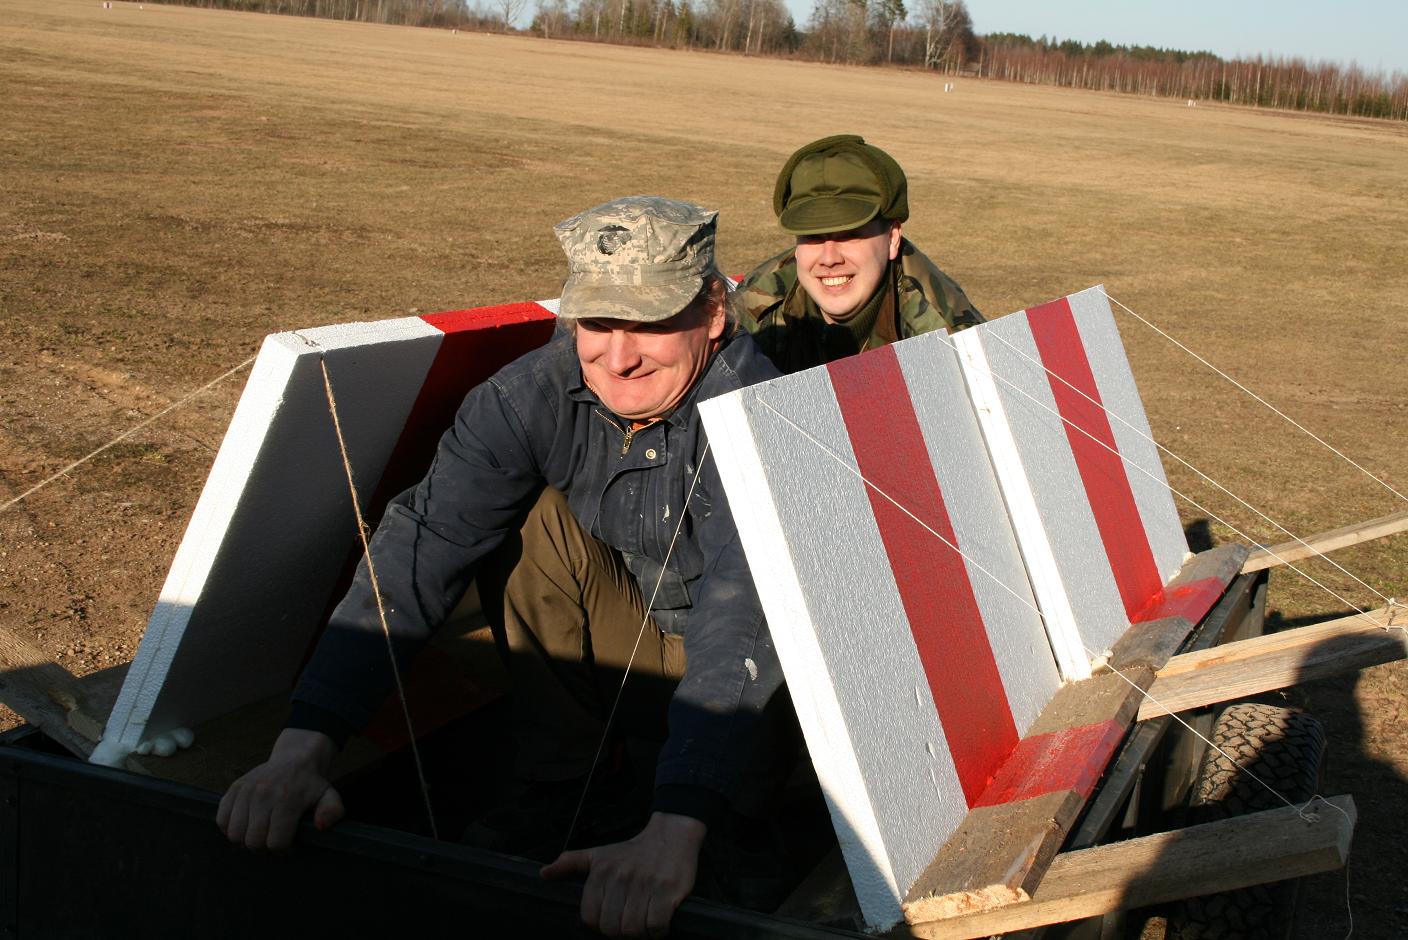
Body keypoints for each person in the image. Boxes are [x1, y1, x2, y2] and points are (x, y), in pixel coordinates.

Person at [217, 196, 783, 939]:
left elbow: (746, 617)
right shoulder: (528, 398)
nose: (620, 356)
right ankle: (570, 786)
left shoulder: (763, 410)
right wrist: (304, 746)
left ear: (713, 314)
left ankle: (735, 820)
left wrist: (681, 820)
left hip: (768, 677)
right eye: (599, 323)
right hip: (639, 646)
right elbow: (423, 545)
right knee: (532, 523)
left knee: (763, 802)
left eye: (650, 322)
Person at [734, 134, 985, 374]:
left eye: (849, 235)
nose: (829, 258)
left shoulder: (950, 340)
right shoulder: (754, 306)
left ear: (892, 238)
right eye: (812, 237)